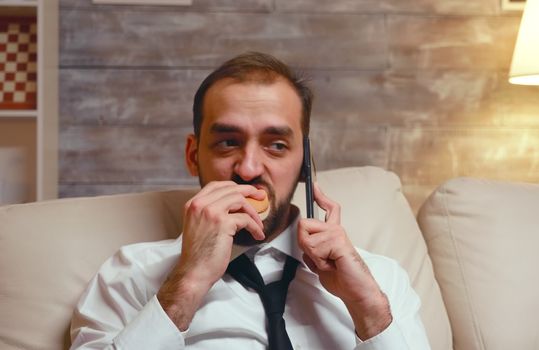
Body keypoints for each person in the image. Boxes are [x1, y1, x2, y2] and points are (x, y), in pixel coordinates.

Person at [70, 52, 430, 349]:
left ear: (305, 164)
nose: (249, 168)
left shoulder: (379, 281)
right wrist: (188, 284)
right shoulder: (129, 275)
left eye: (276, 145)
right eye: (228, 141)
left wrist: (368, 310)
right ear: (193, 155)